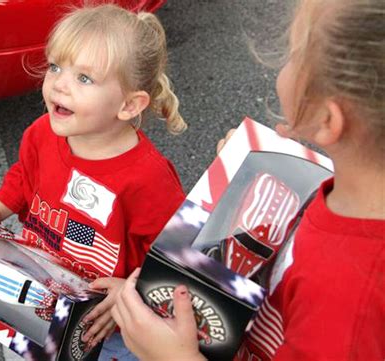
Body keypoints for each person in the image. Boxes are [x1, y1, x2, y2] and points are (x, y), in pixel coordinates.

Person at [111, 0, 385, 360]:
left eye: (295, 52)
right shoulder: (356, 194)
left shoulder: (347, 304)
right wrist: (251, 172)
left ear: (328, 120)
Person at [0, 4, 187, 360]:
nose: (59, 84)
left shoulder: (147, 177)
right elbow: (24, 176)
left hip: (109, 326)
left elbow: (175, 256)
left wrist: (130, 288)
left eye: (84, 78)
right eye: (55, 66)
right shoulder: (42, 134)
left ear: (129, 105)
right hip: (43, 295)